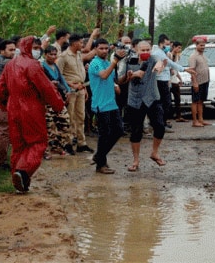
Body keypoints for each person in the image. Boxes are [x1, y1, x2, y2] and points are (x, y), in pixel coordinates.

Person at [0, 36, 65, 193]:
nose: (38, 50)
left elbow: (1, 88)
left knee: (19, 146)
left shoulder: (10, 65)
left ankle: (19, 181)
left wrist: (3, 104)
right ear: (29, 47)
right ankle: (23, 172)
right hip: (31, 109)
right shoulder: (33, 65)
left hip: (13, 109)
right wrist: (58, 104)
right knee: (38, 142)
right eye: (36, 47)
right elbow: (46, 88)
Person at [88, 38, 129, 174]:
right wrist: (115, 61)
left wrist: (128, 77)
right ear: (95, 49)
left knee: (118, 130)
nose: (104, 51)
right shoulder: (95, 63)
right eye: (101, 48)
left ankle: (99, 156)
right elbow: (104, 75)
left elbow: (116, 80)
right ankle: (101, 164)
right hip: (100, 104)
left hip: (111, 103)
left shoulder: (107, 62)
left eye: (106, 48)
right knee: (104, 134)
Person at [125, 41, 167, 170]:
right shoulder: (129, 61)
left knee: (160, 126)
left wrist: (160, 66)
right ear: (136, 50)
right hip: (135, 99)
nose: (145, 52)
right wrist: (131, 76)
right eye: (142, 50)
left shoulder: (153, 58)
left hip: (152, 97)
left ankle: (154, 152)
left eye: (147, 50)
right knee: (136, 131)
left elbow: (161, 62)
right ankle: (136, 161)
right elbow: (123, 79)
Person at [57, 33, 94, 154]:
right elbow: (58, 75)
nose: (82, 45)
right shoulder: (63, 57)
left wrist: (85, 89)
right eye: (81, 42)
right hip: (71, 91)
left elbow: (81, 72)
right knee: (70, 117)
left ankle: (81, 143)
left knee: (81, 116)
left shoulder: (78, 55)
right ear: (74, 43)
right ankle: (69, 143)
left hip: (81, 89)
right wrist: (71, 85)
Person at [41, 46, 74, 156]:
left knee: (65, 122)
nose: (53, 56)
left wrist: (68, 90)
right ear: (45, 54)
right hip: (47, 101)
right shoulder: (41, 66)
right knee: (49, 126)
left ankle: (58, 146)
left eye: (55, 54)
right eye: (51, 54)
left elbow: (62, 79)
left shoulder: (55, 66)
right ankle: (46, 150)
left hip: (58, 99)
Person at [0, 39, 15, 169]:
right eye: (10, 50)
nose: (13, 52)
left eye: (14, 49)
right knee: (5, 132)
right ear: (2, 51)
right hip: (3, 101)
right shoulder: (5, 63)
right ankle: (1, 161)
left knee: (2, 130)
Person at [189, 38, 211, 127]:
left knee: (201, 101)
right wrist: (195, 82)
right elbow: (192, 70)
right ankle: (195, 121)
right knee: (195, 101)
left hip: (205, 80)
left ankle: (201, 119)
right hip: (198, 82)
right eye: (201, 45)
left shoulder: (203, 55)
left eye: (204, 45)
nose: (203, 47)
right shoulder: (193, 56)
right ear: (196, 45)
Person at [169, 41, 187, 122]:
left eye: (180, 48)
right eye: (178, 47)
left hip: (175, 79)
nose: (179, 49)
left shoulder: (177, 56)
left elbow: (176, 69)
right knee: (169, 99)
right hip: (169, 80)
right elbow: (169, 67)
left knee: (177, 99)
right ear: (174, 47)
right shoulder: (169, 55)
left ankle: (178, 116)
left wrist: (180, 78)